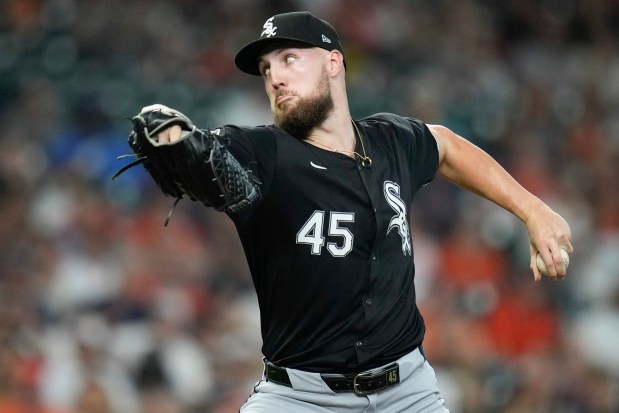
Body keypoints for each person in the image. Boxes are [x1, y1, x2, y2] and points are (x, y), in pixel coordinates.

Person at [122, 11, 573, 413]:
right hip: (300, 397)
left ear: (334, 63)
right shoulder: (263, 151)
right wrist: (170, 133)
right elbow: (204, 151)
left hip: (408, 390)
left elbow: (448, 147)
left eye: (288, 59)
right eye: (265, 69)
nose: (274, 77)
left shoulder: (391, 141)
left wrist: (532, 210)